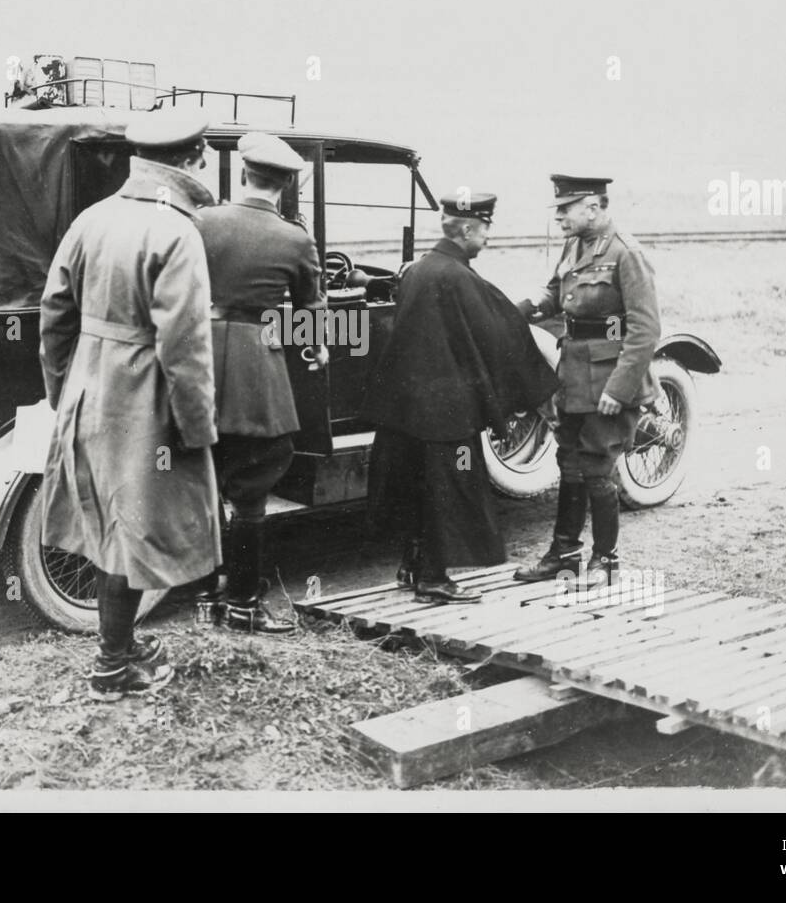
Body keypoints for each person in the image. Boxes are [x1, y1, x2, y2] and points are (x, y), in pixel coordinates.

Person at [38, 108, 221, 697]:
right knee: (134, 531)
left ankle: (118, 647)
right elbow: (185, 347)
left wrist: (64, 392)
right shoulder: (178, 232)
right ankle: (112, 667)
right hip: (144, 402)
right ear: (193, 159)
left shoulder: (92, 218)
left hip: (88, 392)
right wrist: (197, 428)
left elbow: (53, 318)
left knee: (107, 525)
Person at [362, 192, 558, 604]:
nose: (487, 238)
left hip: (405, 409)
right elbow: (497, 331)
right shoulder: (459, 277)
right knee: (446, 492)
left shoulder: (417, 270)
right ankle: (434, 579)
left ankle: (412, 566)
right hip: (445, 413)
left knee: (415, 488)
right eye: (485, 229)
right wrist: (528, 310)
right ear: (468, 229)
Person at [195, 132, 327, 634]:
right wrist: (315, 348)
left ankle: (207, 598)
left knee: (203, 479)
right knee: (251, 491)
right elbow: (311, 307)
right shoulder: (294, 237)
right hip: (257, 366)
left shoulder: (202, 221)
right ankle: (246, 605)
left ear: (245, 174)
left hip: (198, 360)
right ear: (285, 184)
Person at [512, 175, 661, 588]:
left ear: (593, 207)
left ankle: (606, 560)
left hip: (609, 379)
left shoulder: (626, 253)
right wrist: (525, 307)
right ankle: (564, 555)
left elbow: (645, 330)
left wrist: (620, 388)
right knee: (569, 464)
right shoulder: (574, 245)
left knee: (597, 467)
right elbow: (557, 292)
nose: (559, 215)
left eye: (566, 207)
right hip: (575, 375)